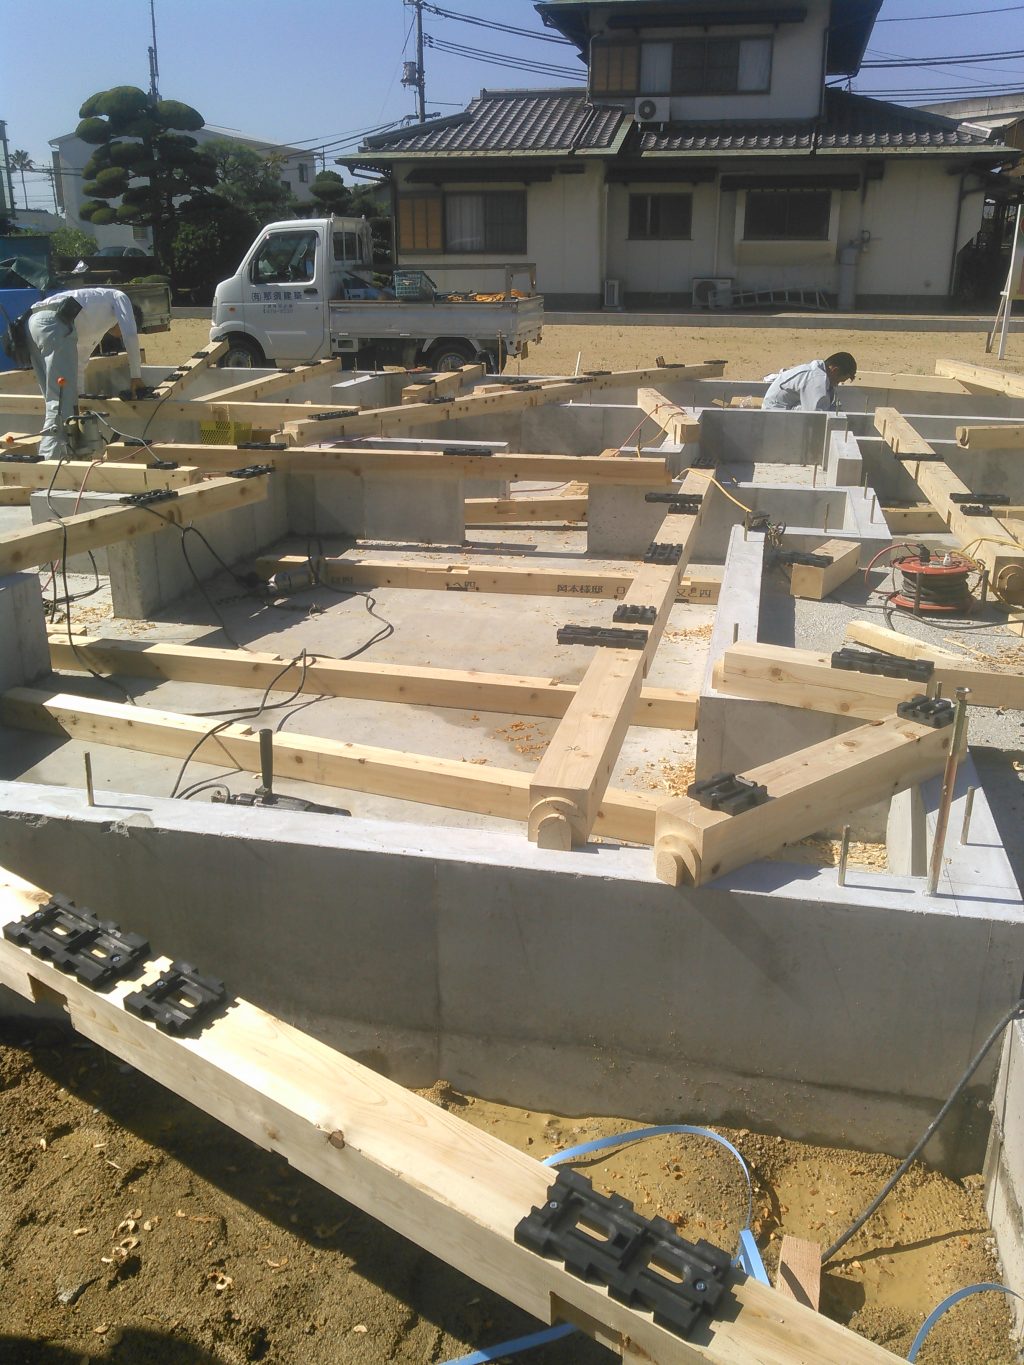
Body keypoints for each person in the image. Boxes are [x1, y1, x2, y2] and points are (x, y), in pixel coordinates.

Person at [26, 287, 146, 458]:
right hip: (54, 321)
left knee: (56, 401)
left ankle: (64, 456)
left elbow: (79, 364)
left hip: (33, 322)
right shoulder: (119, 297)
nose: (119, 336)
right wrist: (136, 376)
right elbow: (130, 335)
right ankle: (49, 462)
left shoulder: (93, 323)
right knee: (60, 404)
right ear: (129, 318)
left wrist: (79, 401)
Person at [761, 351, 857, 413]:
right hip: (775, 413)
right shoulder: (816, 379)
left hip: (781, 410)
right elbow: (817, 414)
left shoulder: (819, 373)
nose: (836, 384)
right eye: (838, 381)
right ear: (834, 370)